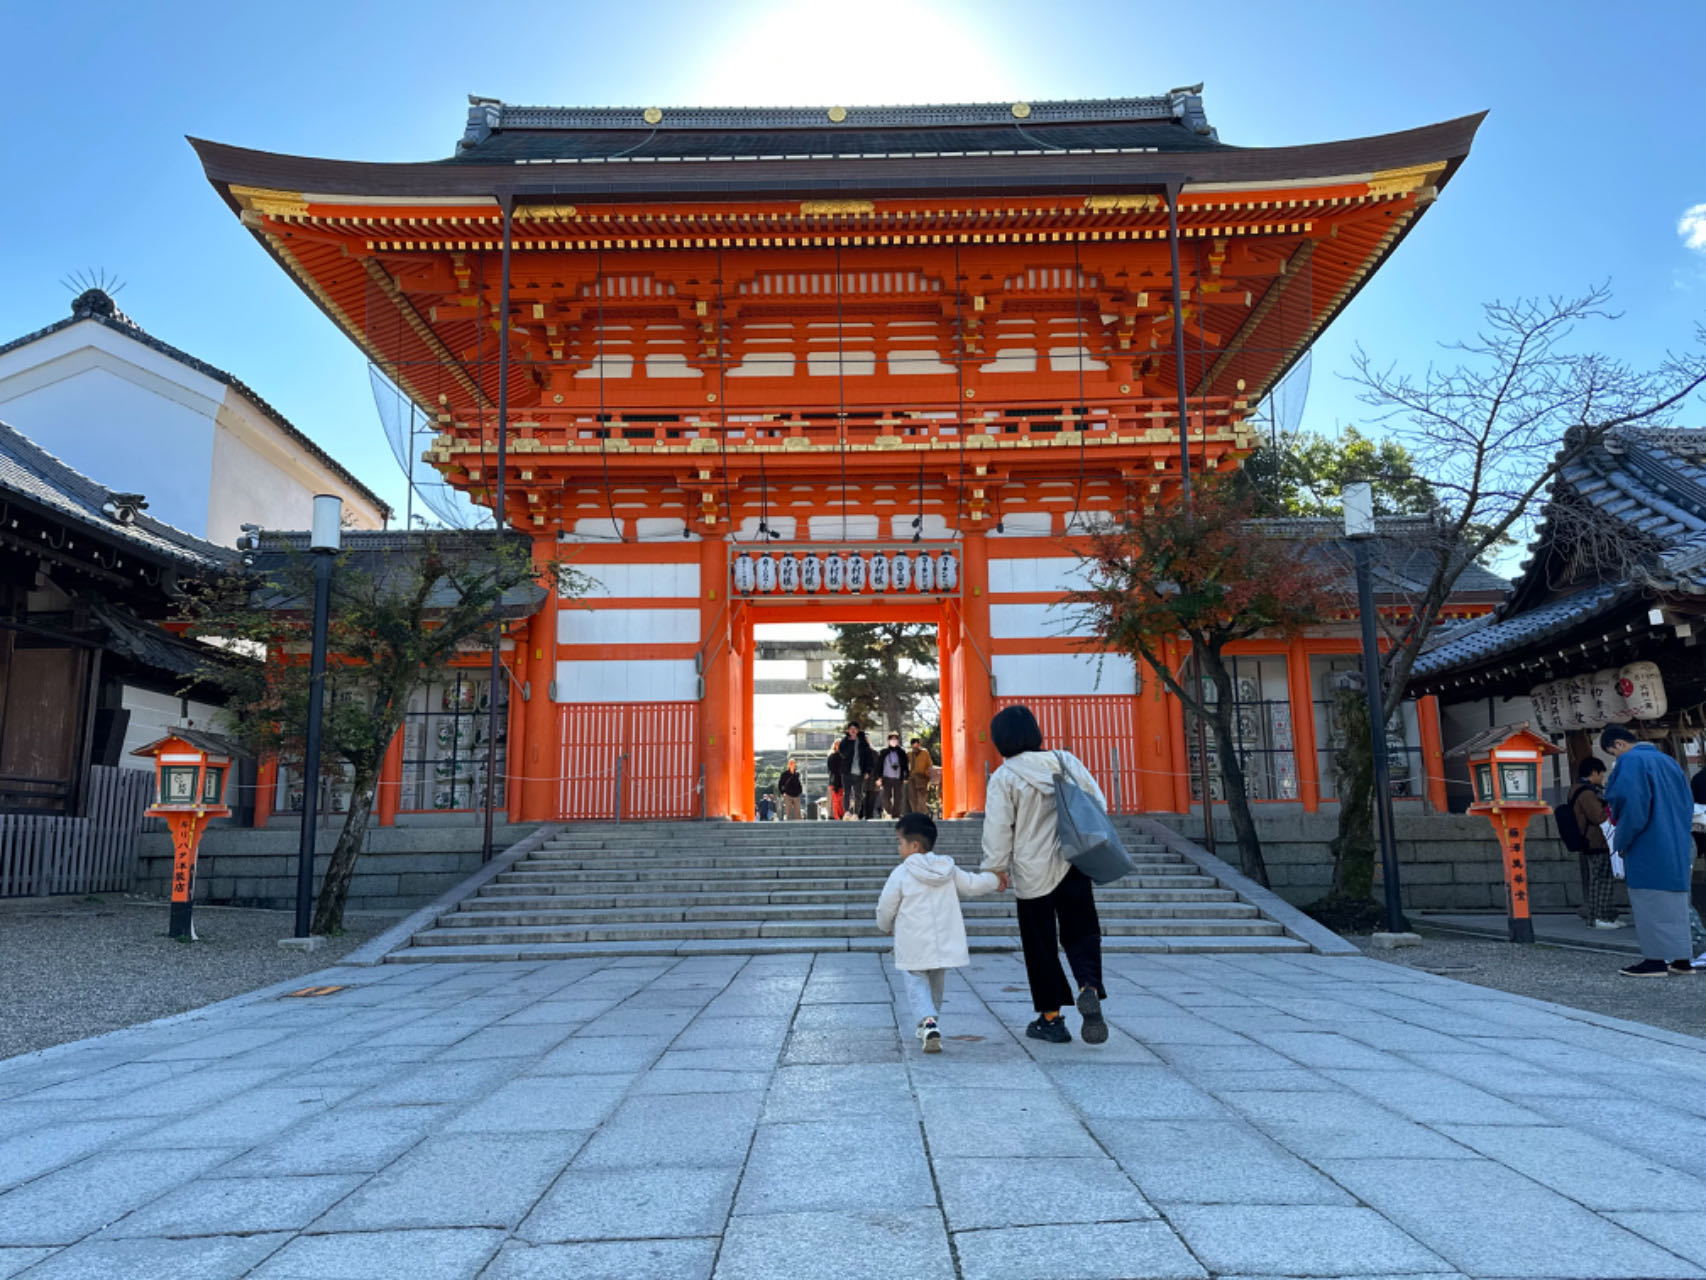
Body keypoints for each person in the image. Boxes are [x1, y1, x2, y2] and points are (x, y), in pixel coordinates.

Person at [979, 704, 1110, 1044]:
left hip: (1032, 871)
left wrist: (995, 867)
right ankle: (1088, 985)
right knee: (1082, 933)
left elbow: (998, 828)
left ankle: (1051, 1018)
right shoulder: (1065, 761)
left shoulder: (1005, 777)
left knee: (1041, 945)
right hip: (1074, 862)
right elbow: (1099, 802)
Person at [876, 813, 1004, 1052]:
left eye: (900, 842)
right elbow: (973, 885)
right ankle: (931, 1021)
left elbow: (886, 906)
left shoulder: (902, 873)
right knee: (935, 984)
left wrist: (884, 926)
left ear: (914, 845)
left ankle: (927, 1021)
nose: (898, 847)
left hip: (913, 942)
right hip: (942, 941)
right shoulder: (948, 869)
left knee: (916, 982)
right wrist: (995, 880)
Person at [1600, 725, 1696, 977]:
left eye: (1612, 752)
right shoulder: (1669, 761)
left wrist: (1620, 840)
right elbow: (1687, 802)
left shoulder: (1631, 761)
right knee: (1676, 902)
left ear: (1619, 744)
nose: (1615, 758)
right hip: (1676, 841)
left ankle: (1654, 961)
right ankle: (1682, 959)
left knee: (1650, 901)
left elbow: (1632, 805)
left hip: (1648, 842)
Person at [1570, 757, 1623, 929]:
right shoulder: (1586, 793)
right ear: (1593, 772)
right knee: (1603, 879)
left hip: (1591, 840)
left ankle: (1600, 915)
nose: (1602, 777)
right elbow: (1598, 817)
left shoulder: (1578, 790)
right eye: (1601, 773)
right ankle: (1600, 917)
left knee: (1598, 879)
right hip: (1596, 841)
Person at [837, 722, 875, 820]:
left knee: (858, 794)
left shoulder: (863, 743)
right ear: (848, 731)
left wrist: (868, 771)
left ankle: (856, 813)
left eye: (855, 729)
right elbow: (842, 753)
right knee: (847, 793)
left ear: (858, 730)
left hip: (860, 772)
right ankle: (846, 812)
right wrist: (850, 741)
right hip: (847, 772)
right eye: (851, 729)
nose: (853, 730)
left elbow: (869, 758)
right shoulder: (845, 741)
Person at [878, 731, 910, 818]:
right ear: (888, 741)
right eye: (892, 739)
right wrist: (879, 777)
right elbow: (879, 765)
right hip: (886, 777)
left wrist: (906, 776)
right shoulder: (883, 752)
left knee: (898, 797)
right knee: (885, 797)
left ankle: (896, 815)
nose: (894, 741)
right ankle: (889, 811)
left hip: (898, 777)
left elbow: (905, 765)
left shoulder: (902, 752)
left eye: (895, 739)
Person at [908, 737, 935, 815]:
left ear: (919, 744)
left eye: (917, 744)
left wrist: (929, 775)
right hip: (912, 778)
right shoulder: (909, 754)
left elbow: (929, 764)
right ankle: (916, 814)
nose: (916, 746)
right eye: (914, 745)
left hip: (922, 778)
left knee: (921, 798)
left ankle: (922, 814)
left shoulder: (924, 752)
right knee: (912, 798)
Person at [826, 745, 845, 820]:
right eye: (837, 744)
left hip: (843, 781)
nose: (838, 745)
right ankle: (836, 815)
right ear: (834, 746)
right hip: (834, 781)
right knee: (835, 800)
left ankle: (842, 815)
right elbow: (831, 770)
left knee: (842, 799)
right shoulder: (831, 757)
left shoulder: (844, 756)